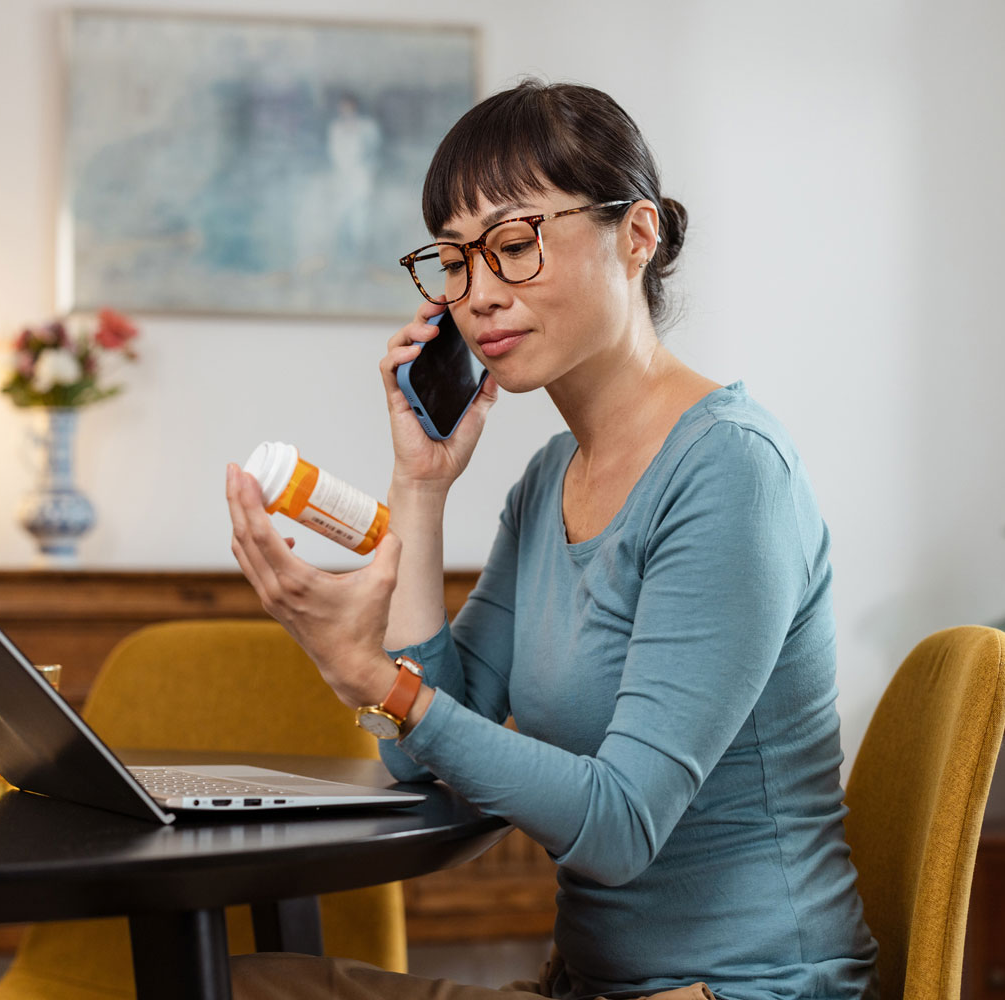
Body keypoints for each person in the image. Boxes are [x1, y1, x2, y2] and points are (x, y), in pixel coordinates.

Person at [225, 80, 879, 1000]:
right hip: (587, 984)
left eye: (515, 245)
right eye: (454, 262)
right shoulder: (550, 482)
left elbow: (617, 829)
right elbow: (420, 759)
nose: (478, 296)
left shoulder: (732, 471)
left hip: (742, 990)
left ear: (637, 236)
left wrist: (372, 677)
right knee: (237, 983)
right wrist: (419, 486)